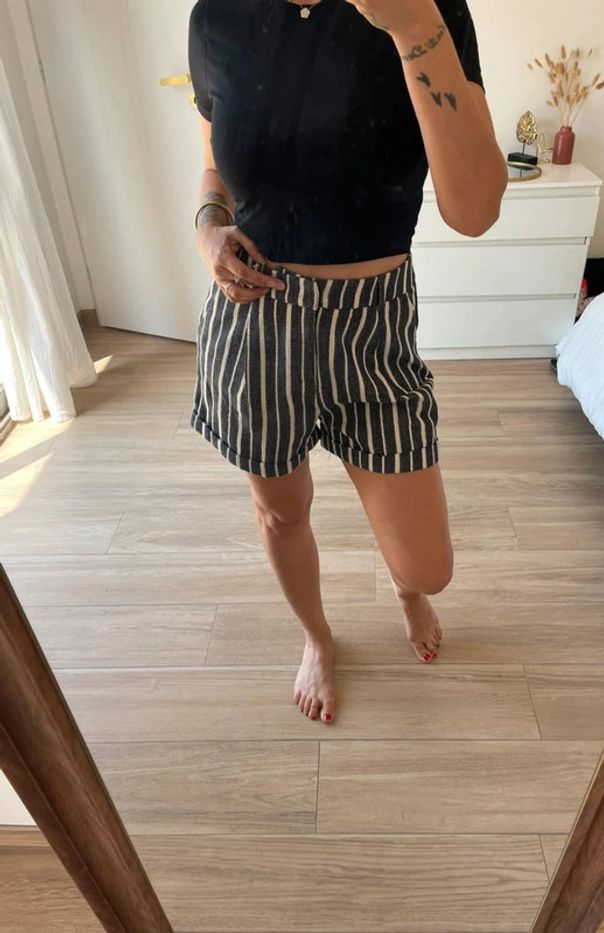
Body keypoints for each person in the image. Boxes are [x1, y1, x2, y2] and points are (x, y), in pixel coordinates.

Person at [188, 0, 507, 724]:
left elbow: (476, 209)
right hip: (258, 319)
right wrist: (208, 225)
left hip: (375, 325)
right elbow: (213, 162)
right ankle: (317, 637)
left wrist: (411, 25)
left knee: (428, 565)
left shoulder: (427, 9)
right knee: (281, 514)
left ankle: (406, 590)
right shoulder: (216, 17)